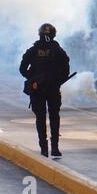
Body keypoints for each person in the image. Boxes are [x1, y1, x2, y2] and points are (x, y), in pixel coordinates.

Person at [20, 23, 70, 159]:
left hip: (39, 89)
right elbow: (66, 66)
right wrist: (58, 80)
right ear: (53, 34)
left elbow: (22, 68)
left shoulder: (33, 50)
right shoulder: (57, 50)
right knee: (54, 117)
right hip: (52, 88)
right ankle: (54, 148)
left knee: (41, 118)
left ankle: (44, 148)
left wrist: (32, 79)